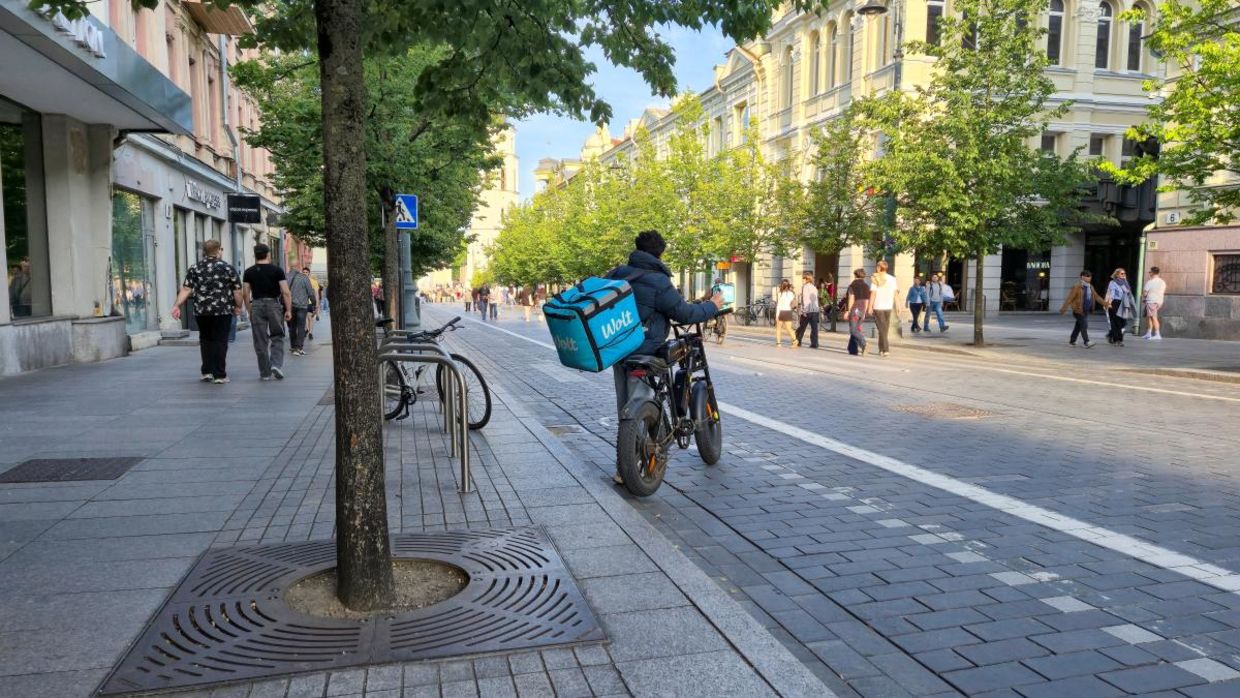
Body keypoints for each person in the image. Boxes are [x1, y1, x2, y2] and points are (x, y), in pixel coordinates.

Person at [608, 231, 722, 484]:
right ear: (660, 253)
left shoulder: (617, 274)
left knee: (625, 409)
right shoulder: (658, 281)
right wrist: (712, 306)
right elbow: (683, 313)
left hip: (617, 350)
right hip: (646, 350)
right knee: (642, 405)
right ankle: (635, 470)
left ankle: (623, 468)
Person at [170, 240, 243, 384]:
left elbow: (186, 289)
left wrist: (176, 305)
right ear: (218, 251)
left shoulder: (195, 268)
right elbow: (237, 290)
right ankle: (220, 374)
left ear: (204, 252)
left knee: (206, 339)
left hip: (201, 311)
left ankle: (207, 371)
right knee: (220, 340)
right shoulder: (227, 268)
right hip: (222, 310)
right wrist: (238, 306)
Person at [242, 243, 293, 380]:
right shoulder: (277, 270)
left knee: (260, 340)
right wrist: (288, 310)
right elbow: (286, 292)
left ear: (255, 255)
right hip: (274, 305)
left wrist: (249, 309)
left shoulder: (249, 272)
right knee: (277, 335)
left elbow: (246, 293)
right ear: (268, 254)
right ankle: (276, 364)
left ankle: (265, 372)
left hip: (257, 304)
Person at [1059, 270, 1107, 348]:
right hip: (1078, 310)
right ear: (1082, 277)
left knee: (1078, 326)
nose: (1089, 278)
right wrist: (1064, 308)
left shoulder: (1090, 287)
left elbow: (1097, 297)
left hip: (1086, 310)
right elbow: (1070, 298)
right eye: (1087, 276)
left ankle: (1072, 341)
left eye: (1090, 276)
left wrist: (1106, 304)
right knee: (1084, 324)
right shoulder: (1077, 286)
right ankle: (1087, 342)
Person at [870, 261, 899, 357]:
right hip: (888, 306)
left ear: (879, 268)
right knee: (884, 328)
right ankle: (881, 348)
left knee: (883, 329)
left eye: (877, 266)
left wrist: (870, 306)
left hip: (878, 306)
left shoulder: (875, 278)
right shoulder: (892, 279)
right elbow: (895, 293)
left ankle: (885, 349)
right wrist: (898, 305)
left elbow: (873, 294)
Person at [287, 266, 316, 356]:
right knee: (301, 327)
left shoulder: (287, 277)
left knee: (292, 327)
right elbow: (310, 292)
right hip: (302, 306)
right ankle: (299, 348)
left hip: (291, 306)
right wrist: (314, 303)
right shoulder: (304, 278)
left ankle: (293, 347)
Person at [1105, 268, 1136, 346]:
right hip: (1115, 303)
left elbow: (1129, 294)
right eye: (1122, 273)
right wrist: (1108, 303)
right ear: (1117, 274)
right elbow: (1111, 293)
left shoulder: (1125, 283)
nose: (1124, 275)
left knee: (1123, 322)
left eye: (1124, 273)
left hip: (1124, 304)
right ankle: (1118, 340)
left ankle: (1110, 335)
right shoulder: (1113, 283)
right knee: (1116, 322)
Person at [846, 269, 870, 356]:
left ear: (855, 275)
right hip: (862, 309)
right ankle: (852, 349)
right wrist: (865, 312)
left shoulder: (852, 285)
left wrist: (848, 311)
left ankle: (864, 344)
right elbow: (867, 300)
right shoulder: (867, 286)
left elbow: (851, 298)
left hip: (855, 309)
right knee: (857, 328)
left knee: (853, 330)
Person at [794, 272, 820, 348]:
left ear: (806, 279)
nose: (802, 280)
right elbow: (815, 300)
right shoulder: (814, 287)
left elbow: (805, 299)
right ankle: (814, 343)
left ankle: (798, 340)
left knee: (802, 326)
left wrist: (804, 311)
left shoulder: (805, 287)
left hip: (807, 310)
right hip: (814, 310)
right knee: (814, 328)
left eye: (803, 278)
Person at [1142, 266, 1166, 340]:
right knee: (1149, 317)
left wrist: (1144, 296)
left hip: (1151, 301)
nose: (1149, 273)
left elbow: (1145, 293)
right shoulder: (1162, 282)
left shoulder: (1150, 282)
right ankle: (1149, 333)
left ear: (1152, 273)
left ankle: (1157, 334)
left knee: (1153, 317)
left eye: (1150, 272)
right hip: (1159, 301)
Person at [774, 279, 797, 347]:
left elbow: (779, 305)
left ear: (782, 286)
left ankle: (778, 343)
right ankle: (795, 340)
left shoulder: (779, 294)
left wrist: (777, 315)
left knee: (778, 328)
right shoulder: (791, 293)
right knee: (789, 328)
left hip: (781, 312)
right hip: (788, 312)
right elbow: (793, 303)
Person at [305, 270, 321, 340]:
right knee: (304, 318)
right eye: (303, 272)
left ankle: (310, 333)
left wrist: (317, 303)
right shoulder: (300, 281)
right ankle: (307, 329)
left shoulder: (313, 282)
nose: (305, 274)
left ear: (309, 273)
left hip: (310, 302)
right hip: (302, 302)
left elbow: (316, 293)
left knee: (310, 318)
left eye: (306, 272)